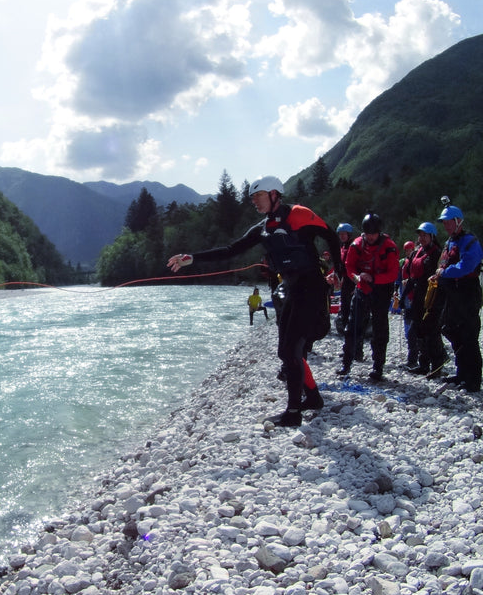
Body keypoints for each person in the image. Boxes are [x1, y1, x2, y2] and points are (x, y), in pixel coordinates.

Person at [167, 175, 340, 427]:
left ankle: (293, 413)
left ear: (274, 194)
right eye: (251, 198)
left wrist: (341, 270)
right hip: (292, 289)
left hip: (312, 287)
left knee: (291, 350)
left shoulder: (298, 214)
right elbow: (230, 250)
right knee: (286, 351)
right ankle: (312, 398)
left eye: (257, 196)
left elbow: (332, 237)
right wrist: (191, 258)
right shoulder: (262, 228)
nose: (254, 202)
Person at [336, 212, 399, 381]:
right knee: (352, 326)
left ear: (379, 232)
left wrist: (375, 279)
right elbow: (349, 267)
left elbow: (393, 273)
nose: (370, 237)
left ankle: (378, 367)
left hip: (381, 290)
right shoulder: (356, 245)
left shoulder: (389, 246)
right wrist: (356, 278)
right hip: (362, 288)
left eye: (373, 234)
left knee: (380, 329)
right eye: (368, 234)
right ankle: (346, 363)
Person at [431, 203, 482, 392]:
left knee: (469, 335)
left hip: (467, 292)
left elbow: (467, 266)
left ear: (458, 221)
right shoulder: (449, 243)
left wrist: (444, 272)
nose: (446, 226)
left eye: (449, 222)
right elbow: (443, 264)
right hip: (452, 293)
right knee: (451, 330)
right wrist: (438, 274)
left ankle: (473, 379)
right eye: (444, 223)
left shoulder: (470, 242)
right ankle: (462, 373)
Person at [405, 222, 446, 374]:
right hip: (418, 295)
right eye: (420, 235)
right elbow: (411, 277)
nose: (421, 238)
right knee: (419, 330)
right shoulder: (418, 252)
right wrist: (403, 296)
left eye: (425, 235)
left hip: (432, 296)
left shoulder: (437, 253)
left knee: (432, 331)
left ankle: (437, 365)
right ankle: (423, 364)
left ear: (432, 236)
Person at [334, 223, 357, 336]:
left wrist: (356, 285)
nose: (342, 236)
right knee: (345, 309)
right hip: (345, 281)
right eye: (340, 234)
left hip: (352, 281)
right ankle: (347, 334)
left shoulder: (353, 247)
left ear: (349, 234)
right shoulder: (343, 247)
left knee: (351, 309)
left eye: (344, 234)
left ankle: (352, 334)